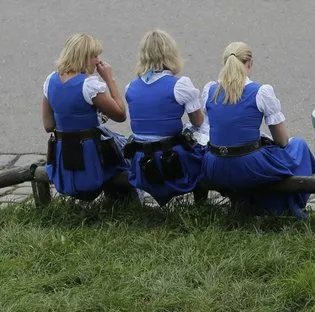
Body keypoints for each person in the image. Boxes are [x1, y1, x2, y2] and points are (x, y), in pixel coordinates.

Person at [201, 41, 315, 219]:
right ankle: (288, 207)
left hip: (214, 166)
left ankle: (248, 205)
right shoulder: (260, 92)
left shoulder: (210, 90)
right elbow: (282, 140)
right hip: (247, 165)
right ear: (250, 64)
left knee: (252, 160)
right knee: (298, 146)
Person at [42, 33, 133, 202]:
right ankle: (128, 203)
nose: (98, 61)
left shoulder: (50, 80)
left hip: (64, 157)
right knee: (129, 151)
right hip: (90, 158)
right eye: (95, 56)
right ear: (83, 57)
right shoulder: (89, 84)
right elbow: (121, 115)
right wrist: (109, 79)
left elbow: (48, 125)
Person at [123, 29, 206, 206]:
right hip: (172, 161)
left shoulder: (130, 88)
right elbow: (198, 122)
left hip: (141, 162)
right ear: (171, 54)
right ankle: (202, 204)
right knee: (204, 146)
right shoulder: (180, 85)